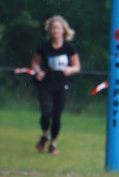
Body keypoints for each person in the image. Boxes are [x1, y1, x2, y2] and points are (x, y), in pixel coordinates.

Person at [29, 15, 81, 154]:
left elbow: (77, 66)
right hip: (46, 82)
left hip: (62, 82)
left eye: (58, 28)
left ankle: (53, 144)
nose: (55, 30)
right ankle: (45, 134)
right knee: (46, 113)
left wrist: (70, 69)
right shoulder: (43, 47)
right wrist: (37, 71)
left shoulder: (69, 47)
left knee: (57, 116)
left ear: (63, 30)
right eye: (53, 28)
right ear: (49, 30)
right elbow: (34, 63)